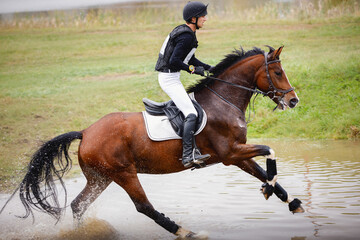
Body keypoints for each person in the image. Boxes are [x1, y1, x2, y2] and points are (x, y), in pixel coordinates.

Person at [155, 1, 212, 168]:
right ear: (193, 18)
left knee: (191, 109)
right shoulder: (186, 35)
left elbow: (189, 58)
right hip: (168, 79)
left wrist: (209, 68)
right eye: (203, 16)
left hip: (172, 77)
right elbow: (175, 61)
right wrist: (194, 70)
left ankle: (192, 151)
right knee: (191, 113)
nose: (205, 19)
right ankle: (188, 155)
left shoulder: (187, 32)